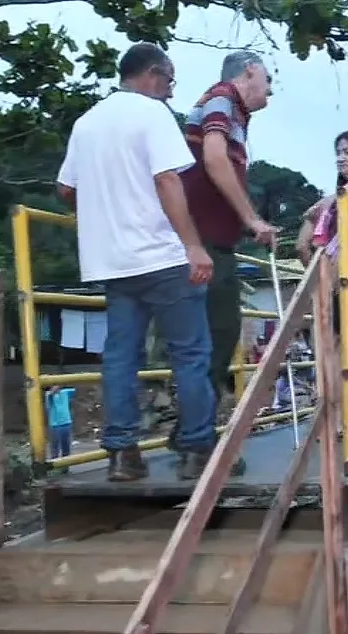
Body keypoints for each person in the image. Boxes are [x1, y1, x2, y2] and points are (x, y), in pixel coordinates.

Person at [56, 43, 219, 482]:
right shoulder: (151, 114)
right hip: (162, 257)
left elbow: (67, 190)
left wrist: (106, 210)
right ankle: (196, 451)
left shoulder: (86, 123)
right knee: (190, 354)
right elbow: (167, 179)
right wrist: (193, 246)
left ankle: (121, 456)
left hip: (111, 262)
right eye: (169, 80)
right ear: (151, 74)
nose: (169, 90)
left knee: (120, 358)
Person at [182, 51, 279, 406]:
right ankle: (199, 432)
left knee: (218, 332)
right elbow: (214, 157)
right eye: (267, 79)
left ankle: (198, 426)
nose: (269, 90)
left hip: (212, 237)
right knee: (219, 332)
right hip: (204, 239)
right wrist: (252, 219)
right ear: (250, 71)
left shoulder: (232, 110)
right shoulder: (221, 99)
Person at [295, 130, 348, 433]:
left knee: (332, 352)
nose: (341, 158)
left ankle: (337, 421)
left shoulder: (329, 201)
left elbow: (302, 245)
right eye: (340, 152)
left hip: (335, 280)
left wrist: (320, 273)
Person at [45, 386, 76, 459]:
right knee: (55, 448)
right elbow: (49, 398)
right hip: (55, 425)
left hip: (66, 423)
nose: (55, 387)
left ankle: (65, 468)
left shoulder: (65, 392)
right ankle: (55, 467)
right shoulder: (48, 394)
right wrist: (53, 392)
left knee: (66, 447)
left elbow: (76, 390)